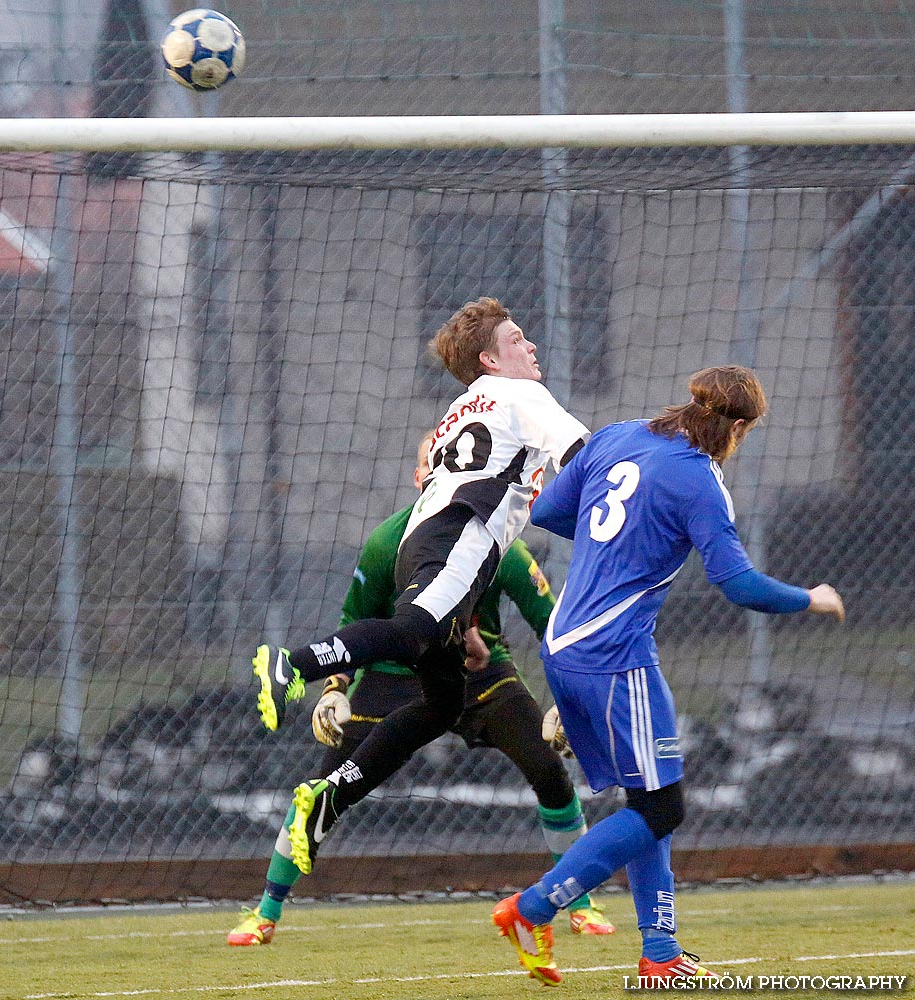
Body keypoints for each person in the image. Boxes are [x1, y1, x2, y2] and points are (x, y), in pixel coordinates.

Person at [491, 365, 845, 988]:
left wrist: (618, 537)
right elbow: (739, 585)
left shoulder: (617, 435)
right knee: (663, 806)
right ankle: (534, 908)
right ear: (737, 426)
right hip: (614, 656)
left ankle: (660, 952)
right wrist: (810, 598)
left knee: (648, 798)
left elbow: (545, 510)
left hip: (563, 645)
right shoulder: (701, 481)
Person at [228, 431, 615, 945]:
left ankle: (579, 902)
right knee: (326, 790)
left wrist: (569, 699)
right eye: (435, 468)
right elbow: (356, 620)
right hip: (392, 680)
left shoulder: (504, 545)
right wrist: (334, 689)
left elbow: (553, 625)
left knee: (549, 769)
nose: (445, 476)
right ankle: (266, 912)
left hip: (479, 677)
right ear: (420, 479)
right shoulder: (389, 542)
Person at [250, 296, 590, 880]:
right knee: (410, 633)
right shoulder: (521, 395)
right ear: (489, 358)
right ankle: (291, 665)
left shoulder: (462, 406)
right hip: (459, 535)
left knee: (441, 703)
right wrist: (628, 498)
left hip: (429, 537)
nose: (530, 346)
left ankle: (329, 795)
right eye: (516, 340)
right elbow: (583, 455)